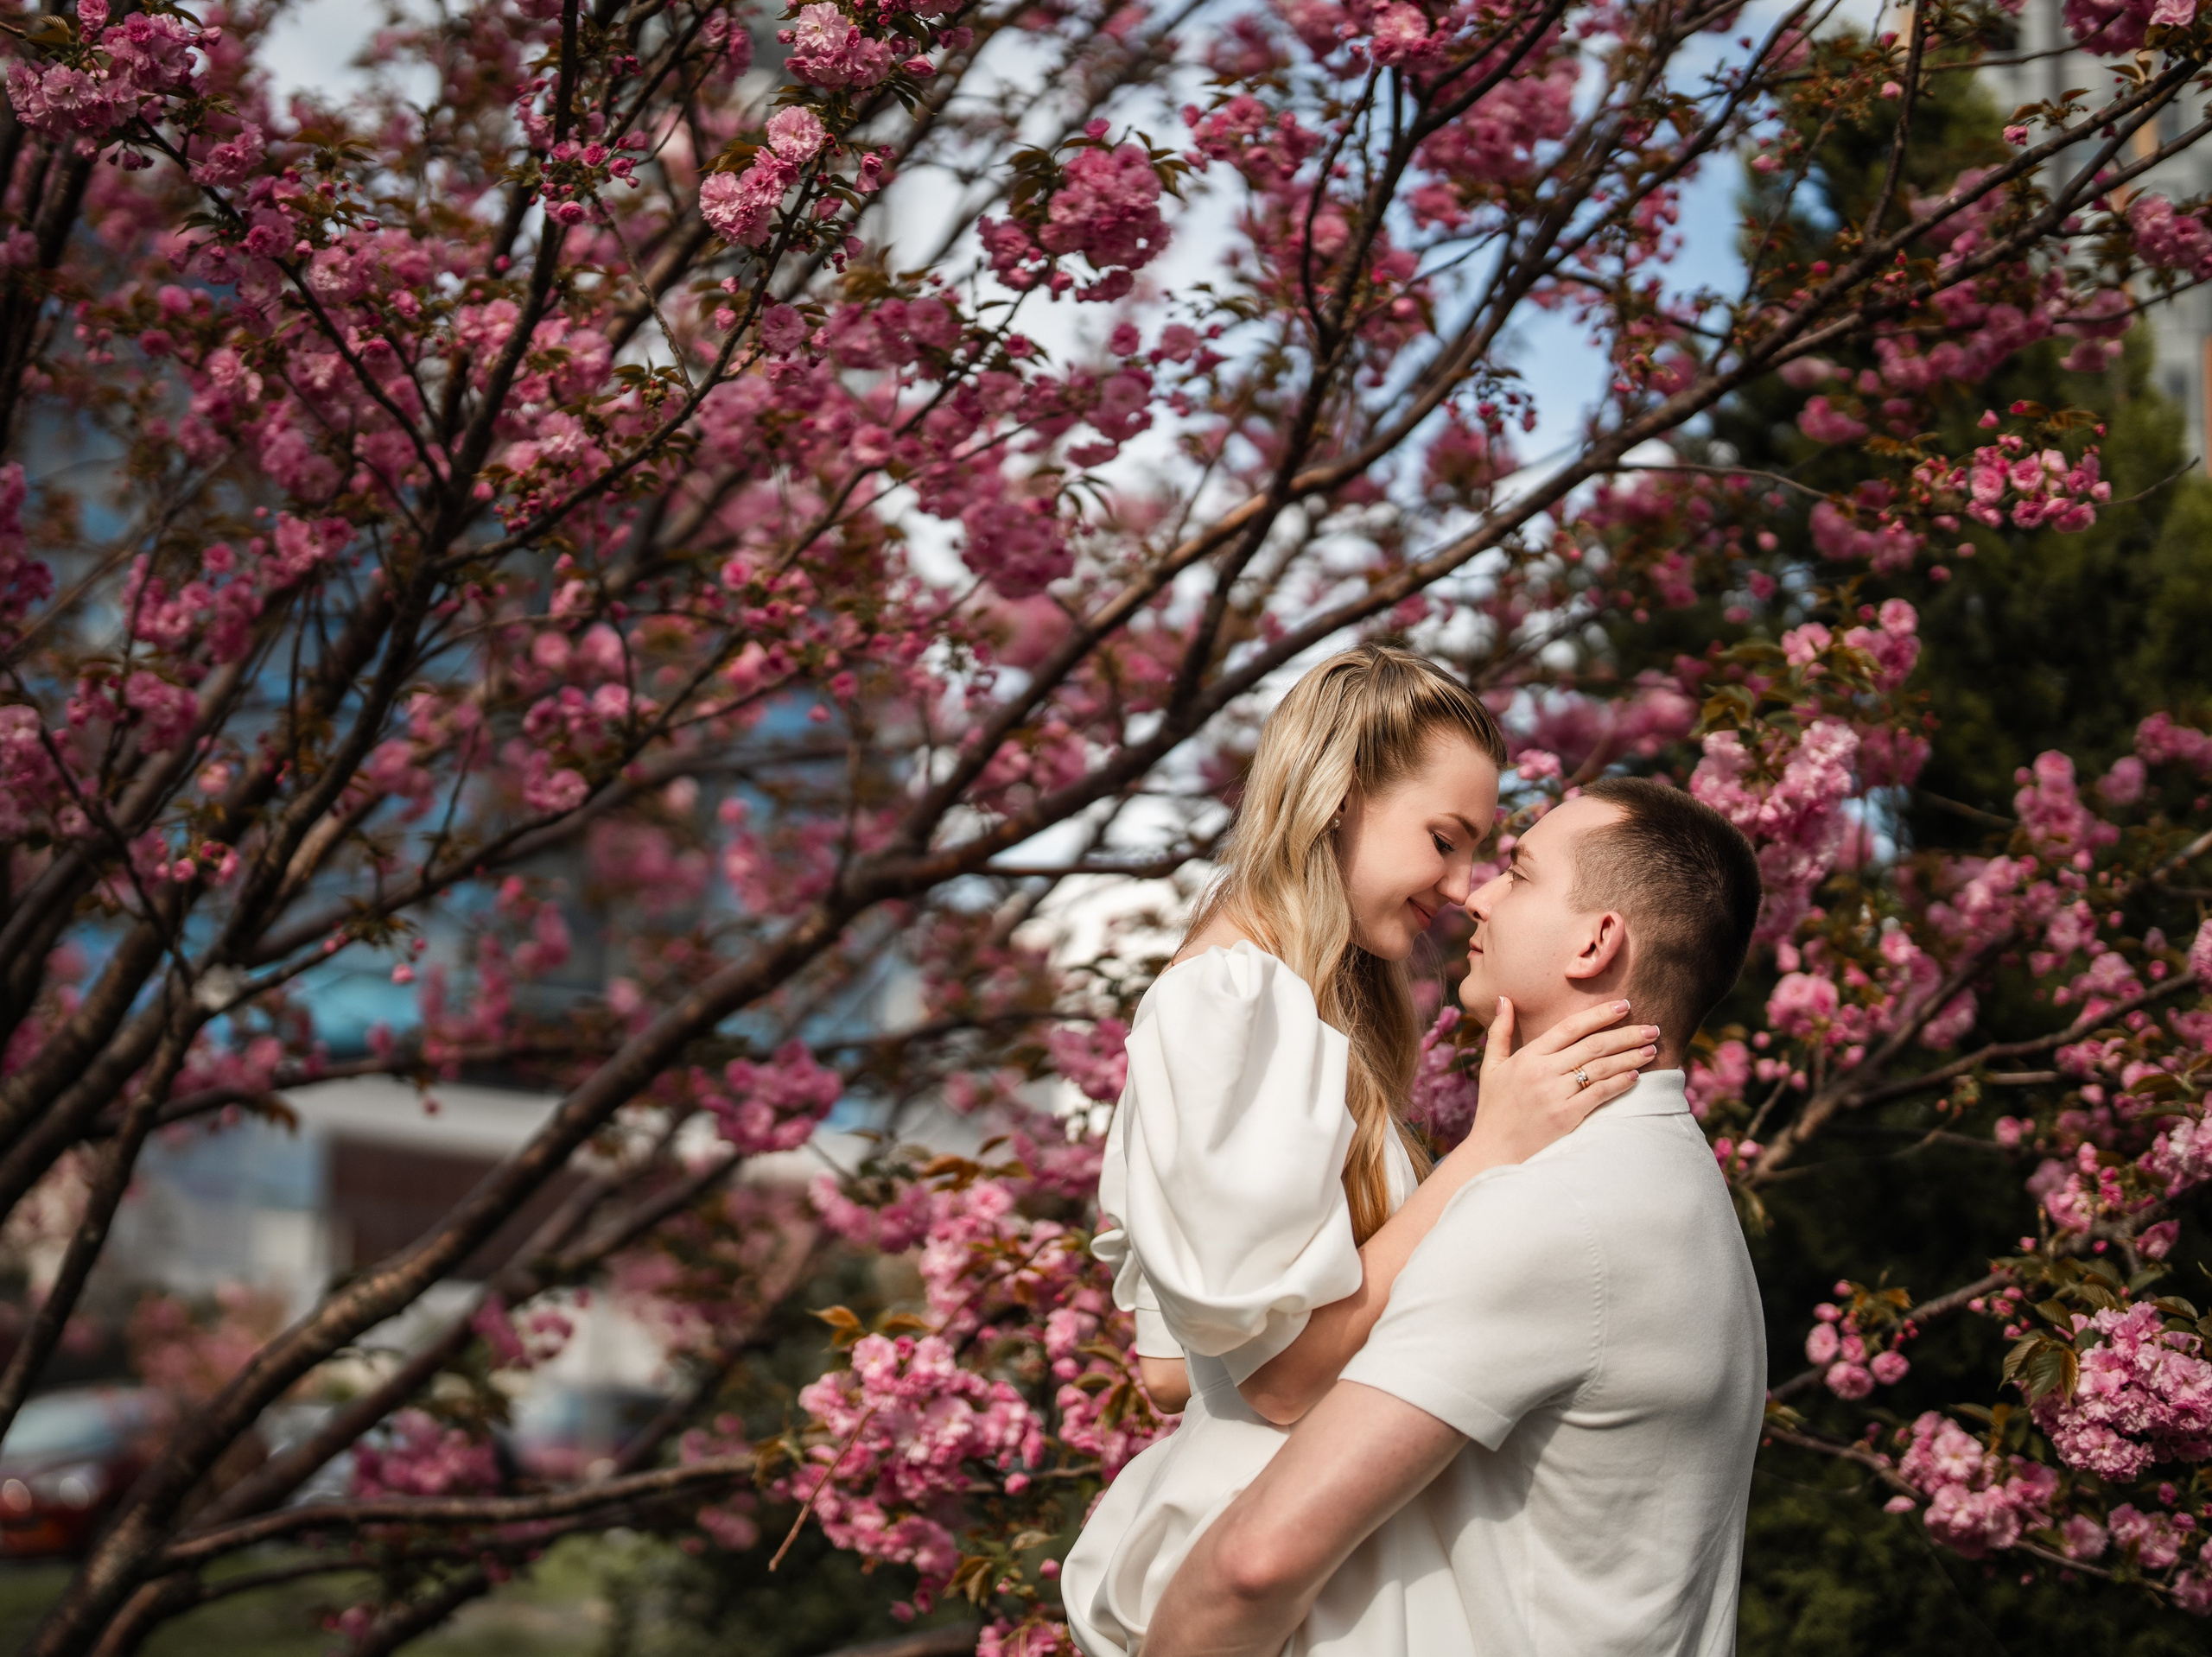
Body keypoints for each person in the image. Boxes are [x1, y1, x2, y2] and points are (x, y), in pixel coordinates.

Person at [1061, 647, 1661, 1657]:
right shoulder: (1232, 1001)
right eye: (1443, 838)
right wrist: (1489, 1151)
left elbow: (1171, 1369)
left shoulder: (1280, 1006)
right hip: (1285, 1581)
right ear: (1338, 796)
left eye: (1479, 852)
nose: (1464, 887)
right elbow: (1286, 1380)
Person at [1141, 778, 1769, 1657]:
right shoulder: (1677, 1189)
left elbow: (1251, 1565)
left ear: (1594, 942)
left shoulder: (1557, 1209)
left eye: (1518, 871)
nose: (1476, 894)